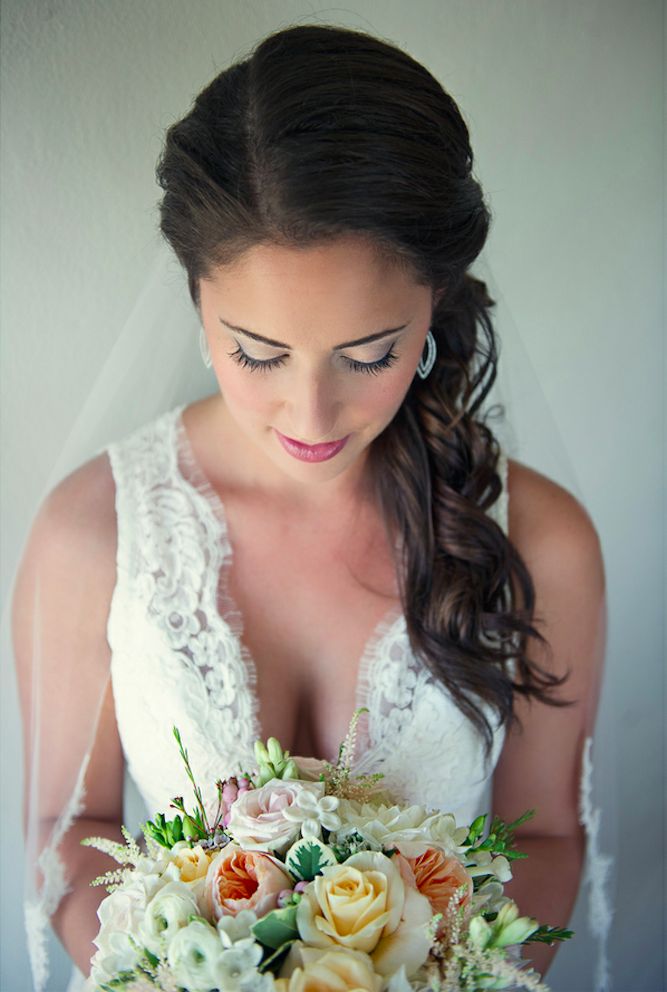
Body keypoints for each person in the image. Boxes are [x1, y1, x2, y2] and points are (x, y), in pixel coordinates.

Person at [11, 22, 607, 991]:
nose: (313, 412)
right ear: (197, 297)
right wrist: (168, 974)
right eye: (257, 351)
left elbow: (544, 833)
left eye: (369, 354)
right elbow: (68, 828)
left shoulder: (542, 542)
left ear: (437, 299)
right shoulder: (94, 536)